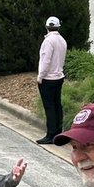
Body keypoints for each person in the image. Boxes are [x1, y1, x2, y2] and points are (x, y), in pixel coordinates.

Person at [37, 16, 68, 144]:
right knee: (57, 105)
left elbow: (46, 60)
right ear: (58, 26)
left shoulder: (48, 41)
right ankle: (58, 131)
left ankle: (50, 134)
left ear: (46, 27)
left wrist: (40, 76)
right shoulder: (62, 40)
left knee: (49, 106)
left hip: (48, 78)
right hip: (59, 77)